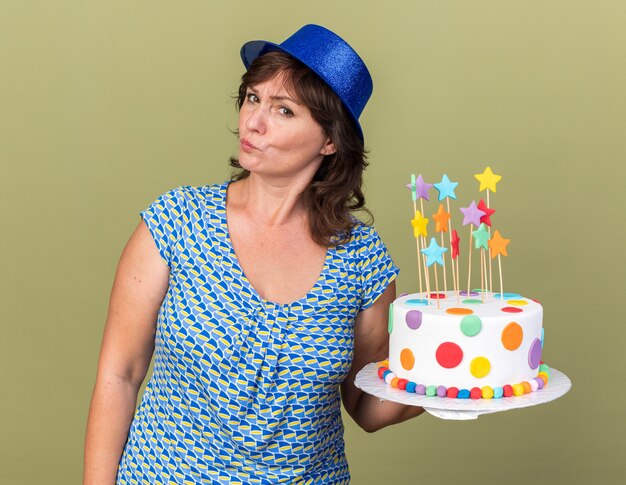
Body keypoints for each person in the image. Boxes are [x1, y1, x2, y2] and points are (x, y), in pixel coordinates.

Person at [83, 24, 424, 485]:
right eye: (252, 98)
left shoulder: (363, 261)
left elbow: (368, 406)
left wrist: (447, 385)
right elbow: (118, 376)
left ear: (329, 140)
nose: (253, 122)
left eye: (283, 110)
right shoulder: (176, 221)